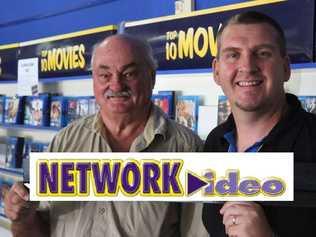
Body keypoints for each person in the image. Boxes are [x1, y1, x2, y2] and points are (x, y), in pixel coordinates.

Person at [2, 34, 208, 237]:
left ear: (151, 78)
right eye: (104, 75)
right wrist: (23, 218)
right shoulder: (65, 141)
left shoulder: (188, 148)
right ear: (93, 80)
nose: (116, 85)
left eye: (129, 74)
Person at [202, 11, 316, 237]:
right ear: (216, 71)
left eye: (262, 53)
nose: (248, 66)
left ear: (285, 68)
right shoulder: (215, 143)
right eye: (233, 55)